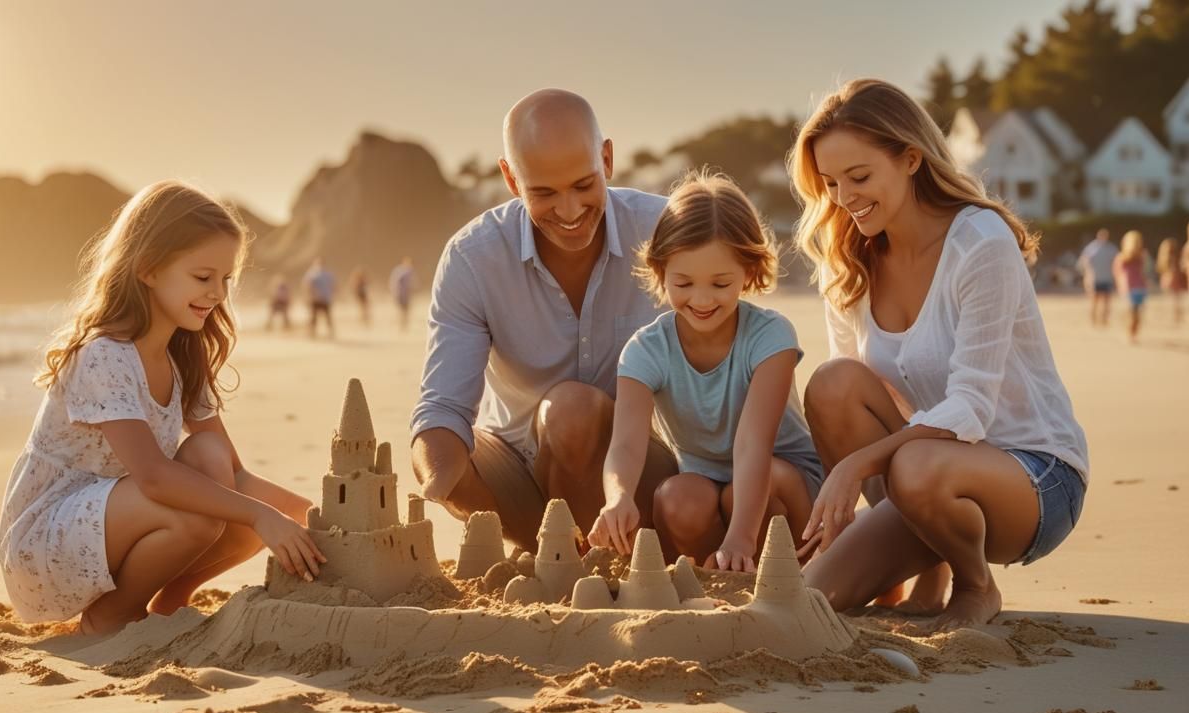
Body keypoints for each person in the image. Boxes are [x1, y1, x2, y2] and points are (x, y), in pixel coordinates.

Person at [788, 79, 1089, 630]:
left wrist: (858, 466)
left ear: (910, 158)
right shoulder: (848, 262)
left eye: (859, 177)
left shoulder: (979, 242)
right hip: (921, 479)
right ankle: (928, 565)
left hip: (1035, 477)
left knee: (916, 464)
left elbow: (970, 407)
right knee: (811, 600)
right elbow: (854, 396)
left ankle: (975, 586)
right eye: (830, 183)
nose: (844, 197)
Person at [0, 181, 324, 635]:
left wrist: (309, 516)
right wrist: (259, 514)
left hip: (120, 520)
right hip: (48, 539)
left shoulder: (183, 358)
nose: (217, 294)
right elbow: (152, 475)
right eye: (202, 277)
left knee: (213, 462)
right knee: (214, 509)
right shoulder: (105, 355)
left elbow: (236, 475)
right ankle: (111, 615)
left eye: (225, 280)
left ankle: (171, 604)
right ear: (149, 269)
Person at [410, 88, 676, 552]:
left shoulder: (665, 232)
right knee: (440, 451)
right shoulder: (473, 258)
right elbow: (443, 409)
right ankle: (559, 551)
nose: (570, 211)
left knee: (572, 411)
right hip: (520, 475)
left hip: (636, 471)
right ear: (511, 179)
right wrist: (434, 488)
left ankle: (585, 557)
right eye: (544, 193)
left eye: (583, 185)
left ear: (607, 160)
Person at [588, 171, 823, 570]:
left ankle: (799, 566)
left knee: (746, 492)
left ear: (748, 273)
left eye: (719, 283)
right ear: (660, 272)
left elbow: (753, 444)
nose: (701, 300)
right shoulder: (646, 350)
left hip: (786, 480)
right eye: (684, 283)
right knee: (676, 498)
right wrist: (618, 497)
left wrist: (741, 538)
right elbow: (626, 444)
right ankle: (715, 574)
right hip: (707, 477)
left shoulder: (770, 337)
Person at [1076, 228, 1117, 327]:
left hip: (1107, 278)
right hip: (1095, 279)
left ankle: (1104, 320)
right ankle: (1093, 320)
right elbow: (1083, 262)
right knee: (1094, 301)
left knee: (1106, 302)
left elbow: (1116, 263)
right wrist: (1087, 276)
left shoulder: (1111, 249)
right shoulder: (1091, 248)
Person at [1114, 230, 1148, 343]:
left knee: (1134, 313)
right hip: (1133, 288)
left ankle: (1132, 334)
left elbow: (1144, 271)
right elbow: (1117, 272)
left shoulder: (1138, 256)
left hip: (1135, 287)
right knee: (1133, 313)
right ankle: (1131, 333)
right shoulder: (1125, 257)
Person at [1156, 238, 1188, 326]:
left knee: (1175, 299)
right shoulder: (1166, 257)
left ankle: (1176, 315)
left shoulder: (1173, 258)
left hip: (1173, 280)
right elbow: (1162, 269)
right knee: (1173, 299)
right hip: (1170, 280)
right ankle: (1174, 315)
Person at [303, 259, 336, 338]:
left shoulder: (313, 274)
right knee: (316, 317)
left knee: (325, 316)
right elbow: (307, 286)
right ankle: (313, 332)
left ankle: (327, 332)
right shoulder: (312, 274)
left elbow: (333, 286)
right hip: (318, 299)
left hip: (322, 298)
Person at [389, 257, 415, 331]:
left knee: (404, 311)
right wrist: (396, 293)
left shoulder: (406, 271)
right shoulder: (403, 272)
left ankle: (403, 326)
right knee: (404, 311)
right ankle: (402, 326)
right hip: (401, 295)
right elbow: (396, 283)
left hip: (405, 295)